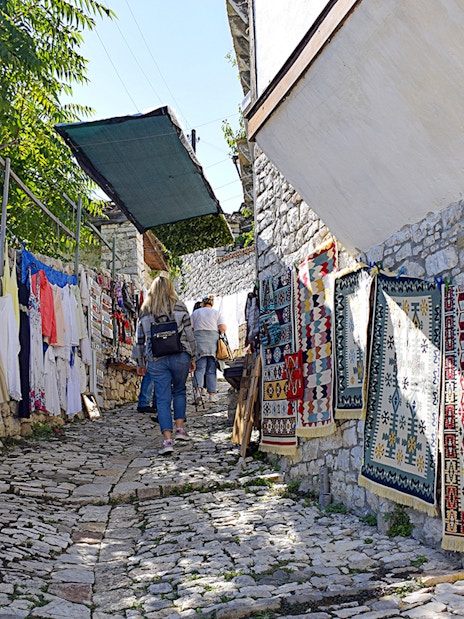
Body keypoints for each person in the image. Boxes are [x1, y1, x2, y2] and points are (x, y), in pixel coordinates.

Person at [133, 271, 196, 455]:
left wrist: (140, 362)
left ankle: (167, 440)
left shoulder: (145, 310)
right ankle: (180, 429)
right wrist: (193, 356)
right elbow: (189, 334)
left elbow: (140, 339)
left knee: (161, 398)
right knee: (179, 390)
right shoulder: (180, 306)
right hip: (180, 355)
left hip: (156, 358)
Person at [191, 295, 227, 404]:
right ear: (212, 303)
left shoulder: (196, 313)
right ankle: (212, 395)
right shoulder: (216, 313)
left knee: (199, 369)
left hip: (199, 343)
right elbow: (223, 328)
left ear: (202, 302)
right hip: (213, 343)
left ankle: (197, 392)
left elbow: (190, 328)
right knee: (211, 370)